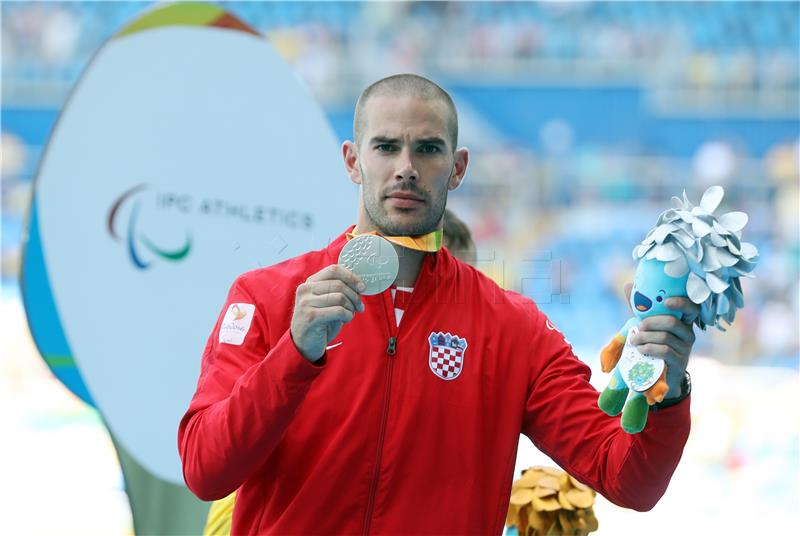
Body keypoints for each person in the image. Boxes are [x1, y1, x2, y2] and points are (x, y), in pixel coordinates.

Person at [179, 74, 697, 535]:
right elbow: (206, 470)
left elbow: (627, 478)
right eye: (385, 147)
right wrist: (294, 353)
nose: (406, 168)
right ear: (353, 162)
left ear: (458, 167)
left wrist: (667, 395)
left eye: (427, 149)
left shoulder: (512, 327)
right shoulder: (268, 296)